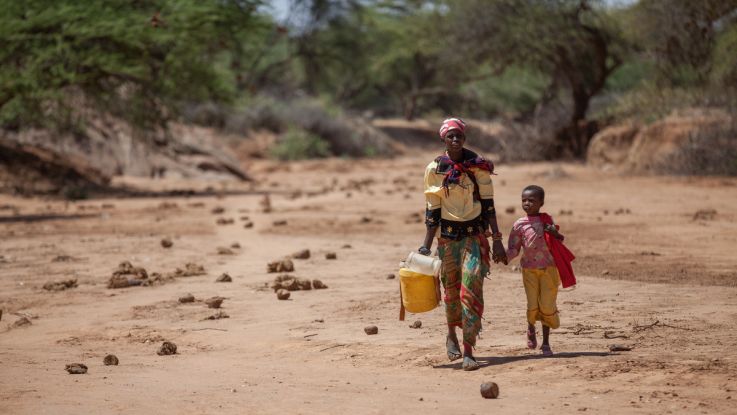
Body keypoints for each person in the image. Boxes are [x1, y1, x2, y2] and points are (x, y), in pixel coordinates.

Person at [420, 117, 507, 371]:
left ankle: (469, 349)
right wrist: (426, 245)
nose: (455, 140)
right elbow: (432, 210)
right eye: (451, 136)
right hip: (447, 239)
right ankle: (451, 334)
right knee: (450, 292)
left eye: (459, 136)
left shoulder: (477, 165)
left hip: (474, 237)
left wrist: (498, 239)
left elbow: (489, 205)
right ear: (444, 140)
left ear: (464, 138)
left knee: (470, 290)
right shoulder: (434, 169)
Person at [505, 185, 566, 356]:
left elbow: (559, 240)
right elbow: (513, 248)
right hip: (529, 270)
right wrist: (502, 257)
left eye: (531, 200)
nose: (527, 203)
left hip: (549, 269)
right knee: (532, 304)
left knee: (547, 305)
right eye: (524, 200)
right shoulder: (519, 224)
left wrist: (555, 233)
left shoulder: (547, 221)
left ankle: (546, 342)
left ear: (541, 203)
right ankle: (531, 327)